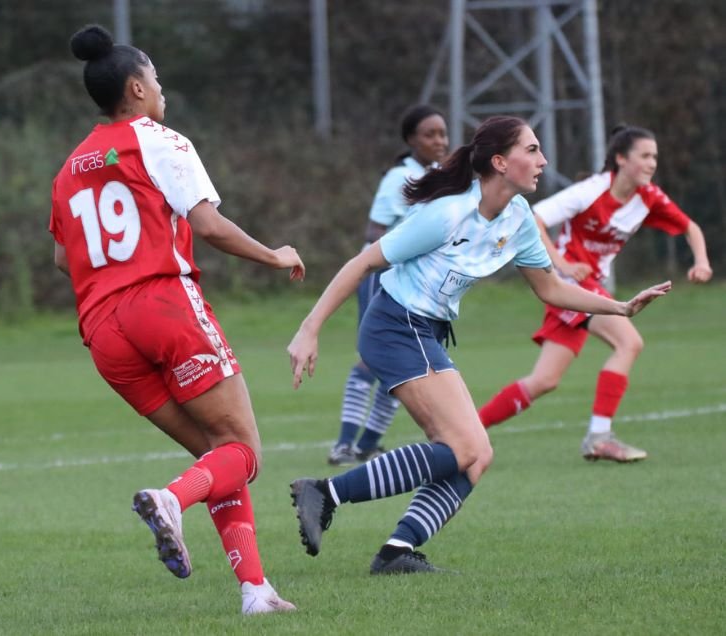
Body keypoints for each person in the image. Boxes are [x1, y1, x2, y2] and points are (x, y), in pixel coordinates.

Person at [286, 116, 671, 575]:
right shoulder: (448, 213)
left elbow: (550, 289)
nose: (542, 161)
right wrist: (309, 329)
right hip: (393, 325)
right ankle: (325, 493)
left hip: (424, 331)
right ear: (499, 162)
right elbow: (364, 262)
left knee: (475, 454)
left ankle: (396, 552)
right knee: (463, 446)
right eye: (532, 150)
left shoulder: (518, 217)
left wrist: (621, 308)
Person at [49, 25, 304, 615]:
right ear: (136, 87)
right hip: (162, 306)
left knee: (218, 458)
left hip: (104, 332)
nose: (163, 88)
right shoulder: (159, 139)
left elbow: (65, 258)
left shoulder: (69, 169)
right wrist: (274, 255)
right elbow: (210, 226)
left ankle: (256, 591)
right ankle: (168, 500)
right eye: (156, 78)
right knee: (243, 448)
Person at [477, 125, 712, 462]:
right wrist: (562, 264)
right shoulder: (591, 191)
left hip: (582, 289)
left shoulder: (649, 197)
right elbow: (535, 216)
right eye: (644, 156)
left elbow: (690, 227)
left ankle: (470, 428)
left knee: (544, 380)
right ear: (620, 159)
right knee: (629, 342)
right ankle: (599, 436)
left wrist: (701, 260)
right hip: (568, 285)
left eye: (655, 157)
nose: (651, 164)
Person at [328, 104, 449, 466]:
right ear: (411, 140)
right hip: (383, 275)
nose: (439, 140)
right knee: (371, 360)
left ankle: (368, 443)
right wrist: (410, 240)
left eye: (443, 133)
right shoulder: (399, 178)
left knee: (406, 363)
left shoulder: (442, 175)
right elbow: (373, 232)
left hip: (420, 281)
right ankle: (343, 444)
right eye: (430, 134)